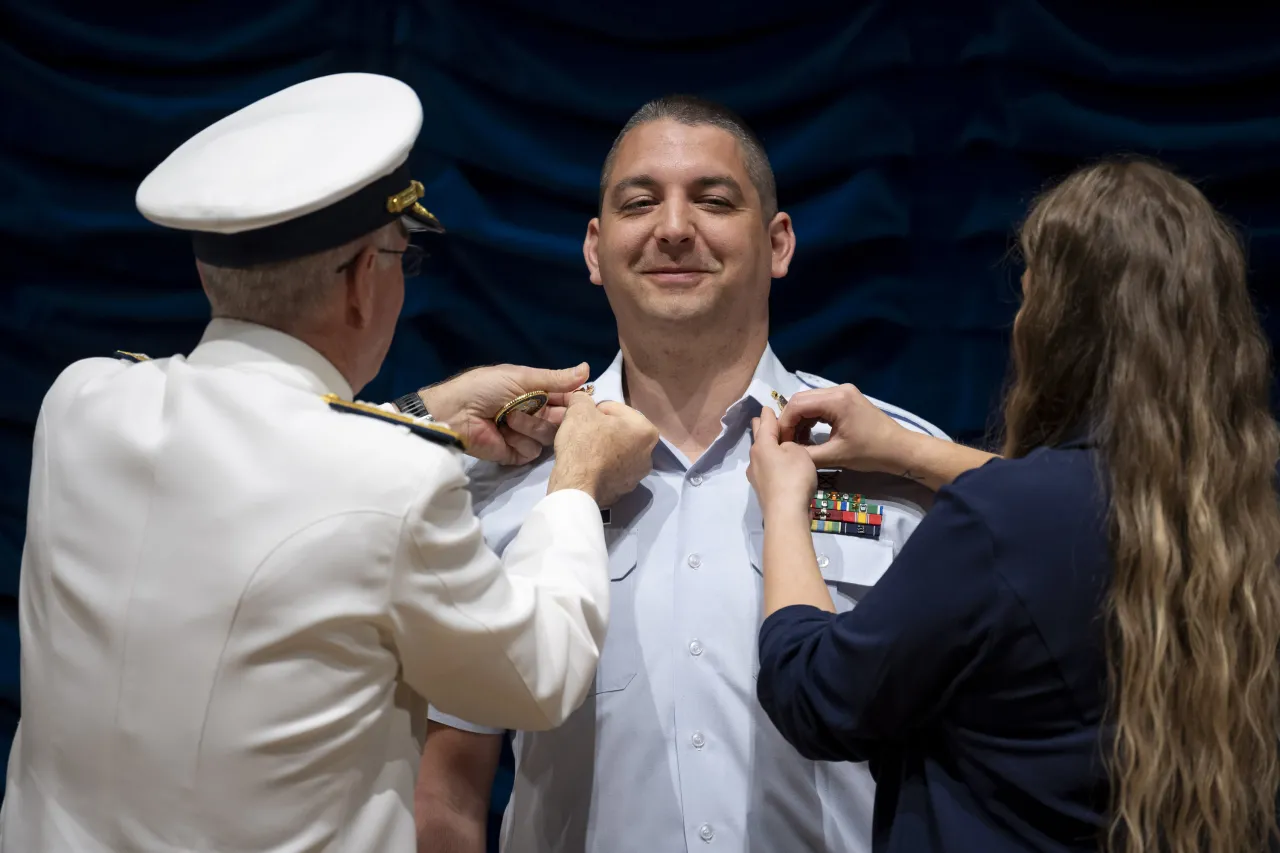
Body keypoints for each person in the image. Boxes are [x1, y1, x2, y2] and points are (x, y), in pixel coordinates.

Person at [0, 72, 660, 853]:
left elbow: (262, 452)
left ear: (209, 271)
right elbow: (539, 673)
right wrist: (577, 479)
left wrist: (424, 411)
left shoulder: (80, 403)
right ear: (359, 282)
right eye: (398, 259)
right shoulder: (397, 482)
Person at [414, 95, 950, 853]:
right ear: (596, 250)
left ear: (778, 242)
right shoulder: (505, 477)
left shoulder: (896, 462)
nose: (672, 228)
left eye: (713, 200)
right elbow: (449, 787)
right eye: (641, 202)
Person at [747, 159, 1280, 852]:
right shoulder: (1240, 515)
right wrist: (907, 450)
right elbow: (1107, 495)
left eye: (1029, 299)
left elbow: (815, 696)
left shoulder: (1002, 519)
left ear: (1063, 329)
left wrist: (787, 506)